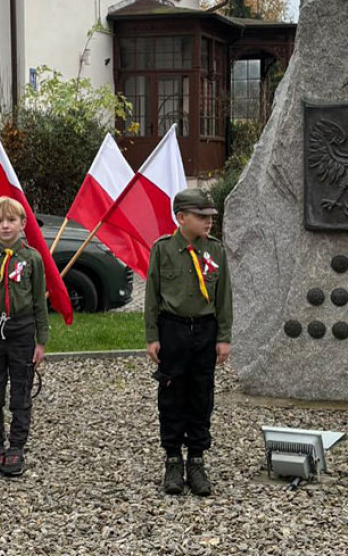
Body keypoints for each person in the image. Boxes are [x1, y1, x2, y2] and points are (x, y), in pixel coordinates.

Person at [145, 188, 232, 496]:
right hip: (173, 329)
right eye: (202, 217)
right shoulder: (163, 249)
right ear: (181, 218)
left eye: (211, 217)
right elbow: (152, 296)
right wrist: (152, 336)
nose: (209, 222)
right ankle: (172, 459)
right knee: (171, 394)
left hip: (204, 329)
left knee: (201, 393)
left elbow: (224, 297)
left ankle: (196, 459)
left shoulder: (216, 250)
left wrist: (223, 337)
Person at [0, 196, 48, 478]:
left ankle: (16, 446)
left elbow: (39, 301)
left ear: (22, 224)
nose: (5, 226)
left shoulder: (32, 258)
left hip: (23, 331)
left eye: (11, 220)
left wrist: (41, 341)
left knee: (21, 392)